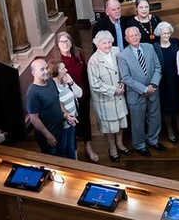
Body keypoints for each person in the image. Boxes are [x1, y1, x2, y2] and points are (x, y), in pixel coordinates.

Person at [117, 26, 165, 157]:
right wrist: (144, 89)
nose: (134, 38)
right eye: (131, 36)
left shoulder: (149, 48)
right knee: (138, 122)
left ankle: (153, 140)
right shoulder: (122, 56)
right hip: (136, 94)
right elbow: (126, 78)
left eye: (136, 35)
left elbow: (157, 67)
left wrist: (153, 85)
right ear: (126, 39)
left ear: (140, 35)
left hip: (153, 89)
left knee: (155, 117)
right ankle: (140, 145)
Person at [88, 31, 131, 161]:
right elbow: (95, 84)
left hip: (120, 95)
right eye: (104, 43)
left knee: (120, 122)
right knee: (109, 126)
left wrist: (123, 82)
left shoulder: (116, 51)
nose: (107, 45)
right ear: (97, 44)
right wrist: (113, 90)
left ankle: (120, 143)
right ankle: (112, 148)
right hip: (105, 99)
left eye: (109, 42)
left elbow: (124, 68)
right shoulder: (93, 61)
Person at [56, 32, 97, 162]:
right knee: (72, 123)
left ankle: (88, 146)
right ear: (58, 44)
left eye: (67, 40)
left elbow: (85, 72)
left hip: (83, 93)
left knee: (85, 121)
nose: (65, 44)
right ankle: (74, 152)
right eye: (62, 42)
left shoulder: (78, 53)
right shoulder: (57, 61)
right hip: (69, 99)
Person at [26, 58, 70, 156]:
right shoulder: (33, 93)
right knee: (53, 162)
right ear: (33, 73)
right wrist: (48, 136)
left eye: (46, 68)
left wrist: (65, 114)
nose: (46, 71)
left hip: (60, 129)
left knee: (62, 156)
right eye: (42, 69)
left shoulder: (50, 81)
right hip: (48, 136)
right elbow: (34, 119)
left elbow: (57, 100)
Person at [153, 22, 179, 144]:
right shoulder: (155, 47)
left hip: (176, 79)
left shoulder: (175, 43)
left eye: (168, 33)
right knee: (167, 107)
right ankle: (170, 129)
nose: (166, 35)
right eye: (164, 33)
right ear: (159, 34)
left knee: (178, 105)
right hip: (163, 81)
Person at [49, 59, 81, 159]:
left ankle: (73, 164)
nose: (66, 70)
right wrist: (66, 115)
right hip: (63, 123)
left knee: (71, 144)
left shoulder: (66, 80)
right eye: (63, 68)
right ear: (56, 71)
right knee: (62, 148)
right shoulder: (52, 87)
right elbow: (56, 105)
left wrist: (71, 83)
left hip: (72, 120)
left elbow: (79, 94)